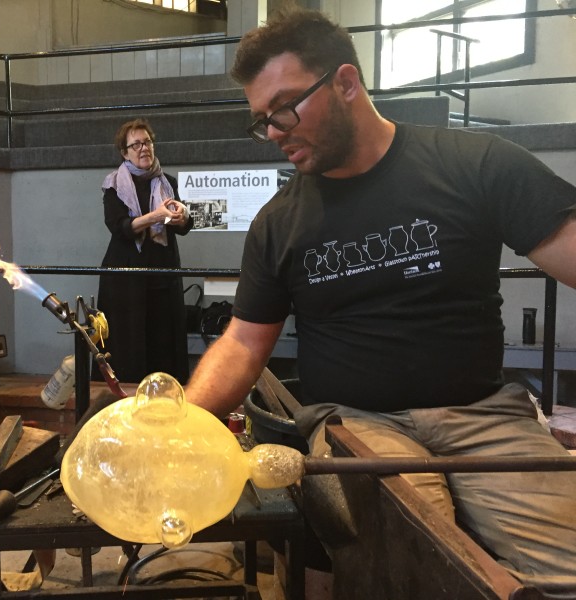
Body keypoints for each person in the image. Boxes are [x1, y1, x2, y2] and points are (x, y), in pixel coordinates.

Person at [185, 6, 576, 598]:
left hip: (485, 417)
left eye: (285, 107)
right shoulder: (279, 223)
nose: (274, 130)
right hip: (360, 427)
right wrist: (181, 424)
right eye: (262, 119)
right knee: (416, 562)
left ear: (345, 83)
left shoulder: (474, 164)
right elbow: (243, 341)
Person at [95, 118, 193, 384]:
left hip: (163, 274)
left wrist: (182, 216)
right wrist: (155, 216)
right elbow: (120, 228)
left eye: (147, 141)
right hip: (126, 277)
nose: (143, 148)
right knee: (130, 343)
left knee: (163, 340)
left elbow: (182, 227)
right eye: (135, 144)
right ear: (125, 152)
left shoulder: (168, 182)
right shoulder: (114, 185)